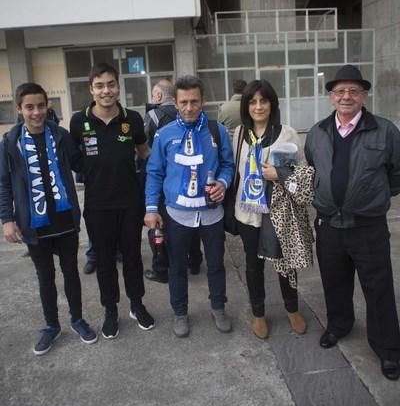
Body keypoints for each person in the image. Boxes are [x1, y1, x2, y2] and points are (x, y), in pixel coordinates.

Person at [305, 64, 400, 381]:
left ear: (364, 95)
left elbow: (396, 175)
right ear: (330, 96)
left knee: (379, 288)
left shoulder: (385, 131)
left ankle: (388, 348)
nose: (346, 96)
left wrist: (372, 196)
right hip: (329, 225)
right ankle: (339, 326)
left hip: (368, 227)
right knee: (334, 281)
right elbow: (313, 169)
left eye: (354, 90)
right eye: (340, 91)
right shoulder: (317, 132)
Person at [0, 82, 97, 355]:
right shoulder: (9, 143)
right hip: (34, 224)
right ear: (19, 109)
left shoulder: (61, 135)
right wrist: (7, 219)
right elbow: (4, 183)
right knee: (45, 277)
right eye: (29, 107)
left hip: (65, 220)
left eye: (41, 106)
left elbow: (82, 165)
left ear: (48, 106)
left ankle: (78, 320)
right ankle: (52, 325)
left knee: (71, 274)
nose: (36, 112)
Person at [145, 75, 234, 337]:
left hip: (212, 214)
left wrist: (223, 183)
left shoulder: (218, 131)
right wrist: (151, 208)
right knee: (176, 266)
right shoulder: (164, 135)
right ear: (175, 101)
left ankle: (218, 307)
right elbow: (155, 173)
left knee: (216, 264)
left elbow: (228, 165)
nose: (189, 107)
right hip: (176, 215)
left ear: (203, 100)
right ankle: (180, 313)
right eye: (183, 102)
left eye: (194, 101)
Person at [69, 63, 154, 339]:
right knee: (104, 261)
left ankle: (137, 305)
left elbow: (145, 152)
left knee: (132, 258)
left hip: (130, 203)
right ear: (91, 89)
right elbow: (73, 157)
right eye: (100, 85)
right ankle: (110, 310)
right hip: (97, 205)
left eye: (111, 84)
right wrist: (93, 170)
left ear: (118, 86)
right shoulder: (78, 120)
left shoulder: (133, 118)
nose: (106, 90)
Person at [233, 79, 311, 340]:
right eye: (253, 101)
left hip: (279, 213)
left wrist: (278, 174)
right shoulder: (239, 134)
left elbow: (303, 173)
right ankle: (258, 313)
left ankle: (292, 308)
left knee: (284, 263)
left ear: (272, 104)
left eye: (263, 100)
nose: (258, 106)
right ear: (246, 106)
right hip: (248, 213)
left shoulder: (287, 133)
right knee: (253, 266)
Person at [143, 78, 203, 283]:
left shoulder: (153, 115)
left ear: (159, 96)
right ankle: (194, 262)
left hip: (164, 181)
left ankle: (161, 267)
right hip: (190, 178)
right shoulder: (188, 113)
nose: (188, 107)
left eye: (153, 94)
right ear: (176, 101)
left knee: (160, 224)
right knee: (193, 218)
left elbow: (144, 149)